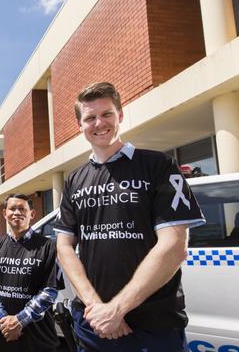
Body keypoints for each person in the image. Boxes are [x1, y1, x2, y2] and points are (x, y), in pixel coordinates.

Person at [54, 82, 205, 351]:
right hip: (92, 325)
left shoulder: (158, 165)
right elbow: (64, 247)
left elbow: (174, 245)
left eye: (107, 114)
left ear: (120, 116)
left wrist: (117, 309)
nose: (99, 123)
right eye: (90, 118)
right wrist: (97, 308)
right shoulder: (74, 180)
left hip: (152, 326)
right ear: (80, 126)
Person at [0, 194, 60, 352]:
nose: (16, 212)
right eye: (12, 209)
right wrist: (3, 318)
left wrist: (19, 321)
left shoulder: (48, 247)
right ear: (5, 213)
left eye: (22, 209)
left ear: (32, 214)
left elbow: (50, 290)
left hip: (38, 336)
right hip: (3, 333)